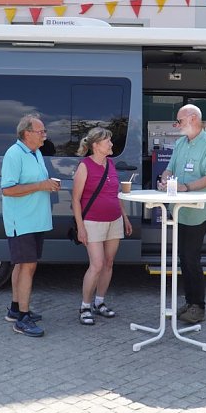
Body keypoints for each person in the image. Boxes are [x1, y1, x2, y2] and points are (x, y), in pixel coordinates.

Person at [157, 104, 206, 324]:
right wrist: (165, 178)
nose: (177, 126)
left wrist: (186, 188)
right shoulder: (180, 144)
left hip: (198, 210)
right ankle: (190, 302)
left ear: (193, 118)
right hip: (179, 211)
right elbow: (170, 168)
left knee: (191, 257)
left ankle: (199, 306)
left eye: (180, 121)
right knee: (183, 257)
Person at [1, 113, 61, 337]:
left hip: (35, 220)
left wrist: (48, 185)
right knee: (28, 266)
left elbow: (36, 183)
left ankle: (16, 310)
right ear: (27, 133)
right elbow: (7, 189)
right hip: (22, 220)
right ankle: (23, 320)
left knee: (21, 265)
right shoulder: (14, 154)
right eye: (41, 131)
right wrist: (40, 185)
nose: (45, 135)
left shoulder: (35, 153)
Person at [72, 127, 133, 325]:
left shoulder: (111, 164)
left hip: (114, 220)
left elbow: (115, 194)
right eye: (108, 142)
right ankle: (85, 306)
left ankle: (100, 302)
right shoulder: (85, 166)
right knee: (96, 265)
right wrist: (80, 227)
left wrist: (125, 218)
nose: (112, 144)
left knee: (108, 263)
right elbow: (75, 200)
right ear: (96, 145)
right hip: (92, 222)